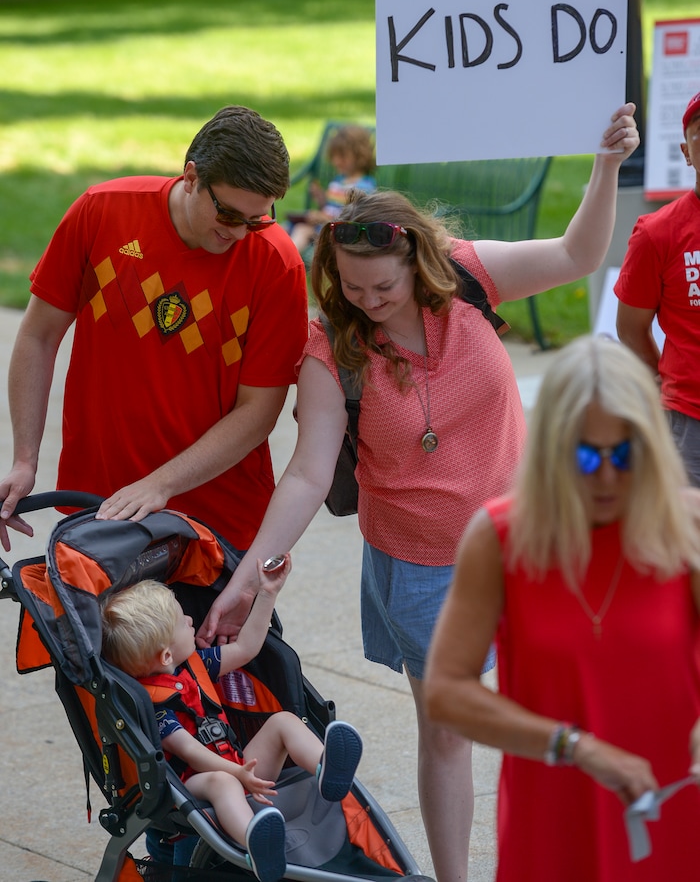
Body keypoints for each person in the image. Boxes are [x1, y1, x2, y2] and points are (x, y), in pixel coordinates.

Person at [199, 105, 641, 882]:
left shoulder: (467, 275)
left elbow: (579, 253)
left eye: (382, 287)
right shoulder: (332, 347)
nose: (366, 300)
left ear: (417, 264)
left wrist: (603, 166)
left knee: (566, 707)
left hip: (527, 538)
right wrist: (248, 573)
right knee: (449, 730)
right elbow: (308, 471)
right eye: (350, 286)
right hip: (425, 568)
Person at [423, 334, 700, 881]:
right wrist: (573, 746)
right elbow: (446, 693)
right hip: (554, 816)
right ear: (551, 449)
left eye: (625, 454)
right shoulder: (501, 539)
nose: (605, 474)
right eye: (584, 454)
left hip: (675, 807)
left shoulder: (686, 525)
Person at [0, 105, 309, 552]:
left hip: (217, 521)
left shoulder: (277, 264)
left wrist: (159, 484)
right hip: (99, 504)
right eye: (228, 215)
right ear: (191, 176)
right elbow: (39, 335)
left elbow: (258, 412)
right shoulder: (101, 211)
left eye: (257, 219)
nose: (242, 234)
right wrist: (25, 459)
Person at [101, 560, 363, 882]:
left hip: (242, 767)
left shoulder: (196, 665)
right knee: (221, 782)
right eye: (181, 622)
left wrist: (267, 594)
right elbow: (188, 751)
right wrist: (237, 772)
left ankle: (327, 768)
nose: (189, 619)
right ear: (166, 655)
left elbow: (246, 648)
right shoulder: (153, 705)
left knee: (282, 721)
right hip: (195, 783)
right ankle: (255, 842)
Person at [615, 90, 700, 485]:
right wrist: (664, 379)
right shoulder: (657, 234)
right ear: (686, 151)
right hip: (690, 420)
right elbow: (631, 327)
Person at [289, 125, 376, 255]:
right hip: (322, 226)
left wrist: (321, 218)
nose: (336, 161)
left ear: (360, 155)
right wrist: (321, 198)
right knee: (286, 226)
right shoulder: (338, 181)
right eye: (334, 156)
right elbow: (330, 207)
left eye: (342, 157)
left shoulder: (363, 187)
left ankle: (286, 262)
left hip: (338, 233)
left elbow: (352, 219)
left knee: (302, 230)